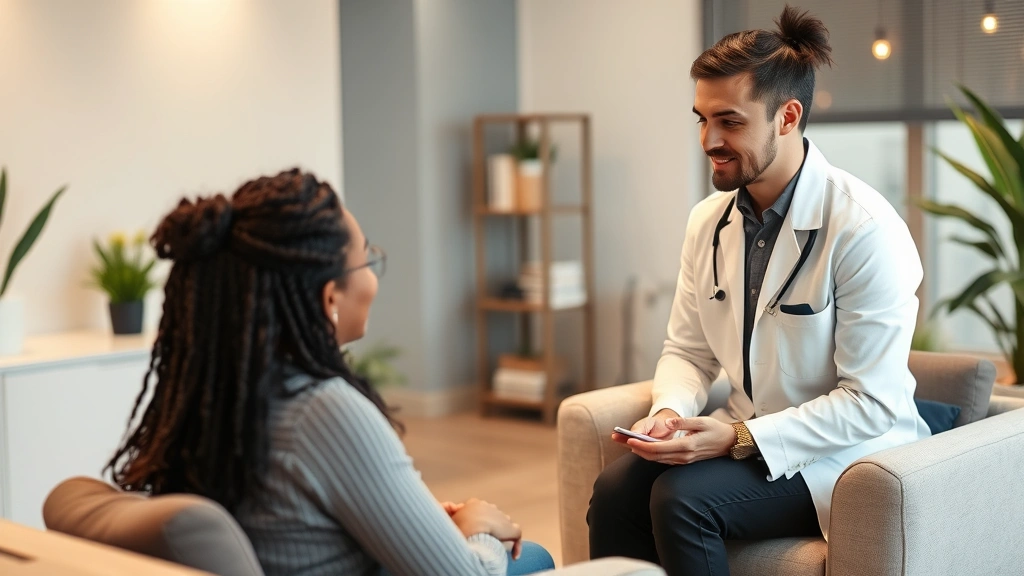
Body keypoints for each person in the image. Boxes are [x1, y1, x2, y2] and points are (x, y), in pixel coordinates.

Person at [587, 6, 930, 576]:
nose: (708, 140)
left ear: (787, 116)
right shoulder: (708, 221)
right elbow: (688, 352)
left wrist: (735, 437)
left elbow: (872, 403)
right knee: (617, 491)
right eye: (700, 119)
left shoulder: (865, 229)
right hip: (748, 432)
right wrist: (669, 411)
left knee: (681, 501)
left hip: (840, 454)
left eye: (729, 122)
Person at [106, 168, 555, 576]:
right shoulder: (322, 412)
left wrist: (415, 517)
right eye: (367, 260)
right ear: (330, 300)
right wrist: (477, 527)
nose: (374, 278)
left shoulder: (213, 396)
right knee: (532, 558)